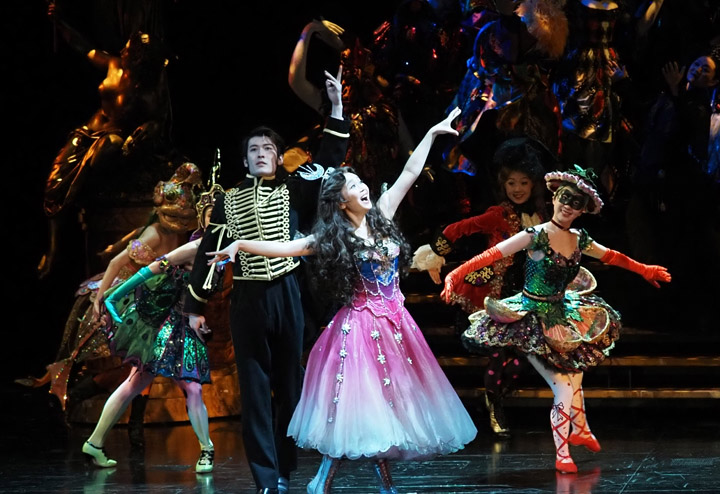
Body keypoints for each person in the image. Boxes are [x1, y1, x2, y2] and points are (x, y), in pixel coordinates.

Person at [206, 108, 477, 494]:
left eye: (361, 182)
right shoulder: (333, 237)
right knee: (360, 412)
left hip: (396, 326)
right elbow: (286, 248)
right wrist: (240, 245)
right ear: (339, 201)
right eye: (353, 185)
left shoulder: (382, 214)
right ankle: (325, 480)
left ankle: (369, 482)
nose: (363, 187)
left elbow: (409, 173)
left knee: (391, 407)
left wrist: (432, 134)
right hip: (360, 331)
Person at [184, 70, 350, 494]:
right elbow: (208, 251)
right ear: (245, 160)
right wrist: (195, 306)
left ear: (278, 157)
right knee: (255, 391)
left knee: (289, 388)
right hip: (248, 299)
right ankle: (264, 477)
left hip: (288, 294)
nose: (261, 154)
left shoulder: (296, 188)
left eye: (268, 149)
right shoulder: (228, 199)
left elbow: (330, 160)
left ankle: (283, 468)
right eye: (254, 150)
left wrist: (336, 107)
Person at [441, 165, 670, 473]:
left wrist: (644, 269)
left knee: (576, 375)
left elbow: (611, 256)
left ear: (583, 210)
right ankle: (563, 453)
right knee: (563, 387)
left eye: (576, 202)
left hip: (562, 315)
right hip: (532, 319)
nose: (568, 206)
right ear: (554, 198)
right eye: (565, 197)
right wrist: (455, 275)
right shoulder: (534, 235)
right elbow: (492, 254)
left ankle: (581, 429)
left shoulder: (579, 239)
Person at [412, 136, 552, 436]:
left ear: (533, 184)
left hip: (530, 294)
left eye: (523, 183)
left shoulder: (543, 216)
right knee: (498, 354)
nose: (517, 189)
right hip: (498, 295)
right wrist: (436, 253)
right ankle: (494, 404)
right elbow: (458, 228)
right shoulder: (499, 214)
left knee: (526, 356)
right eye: (511, 183)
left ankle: (494, 396)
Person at [81, 182, 223, 473]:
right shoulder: (194, 247)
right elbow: (152, 268)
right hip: (169, 325)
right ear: (203, 218)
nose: (215, 220)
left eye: (220, 215)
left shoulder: (224, 250)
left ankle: (94, 443)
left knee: (139, 384)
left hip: (186, 324)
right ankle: (206, 449)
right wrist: (112, 295)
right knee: (190, 387)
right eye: (211, 215)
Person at [40, 5, 174, 278]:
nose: (122, 50)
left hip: (114, 136)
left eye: (128, 50)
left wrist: (150, 127)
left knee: (108, 147)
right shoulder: (113, 66)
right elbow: (84, 48)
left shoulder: (148, 91)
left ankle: (88, 193)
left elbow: (159, 120)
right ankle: (54, 247)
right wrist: (60, 22)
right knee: (55, 182)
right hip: (86, 133)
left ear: (138, 60)